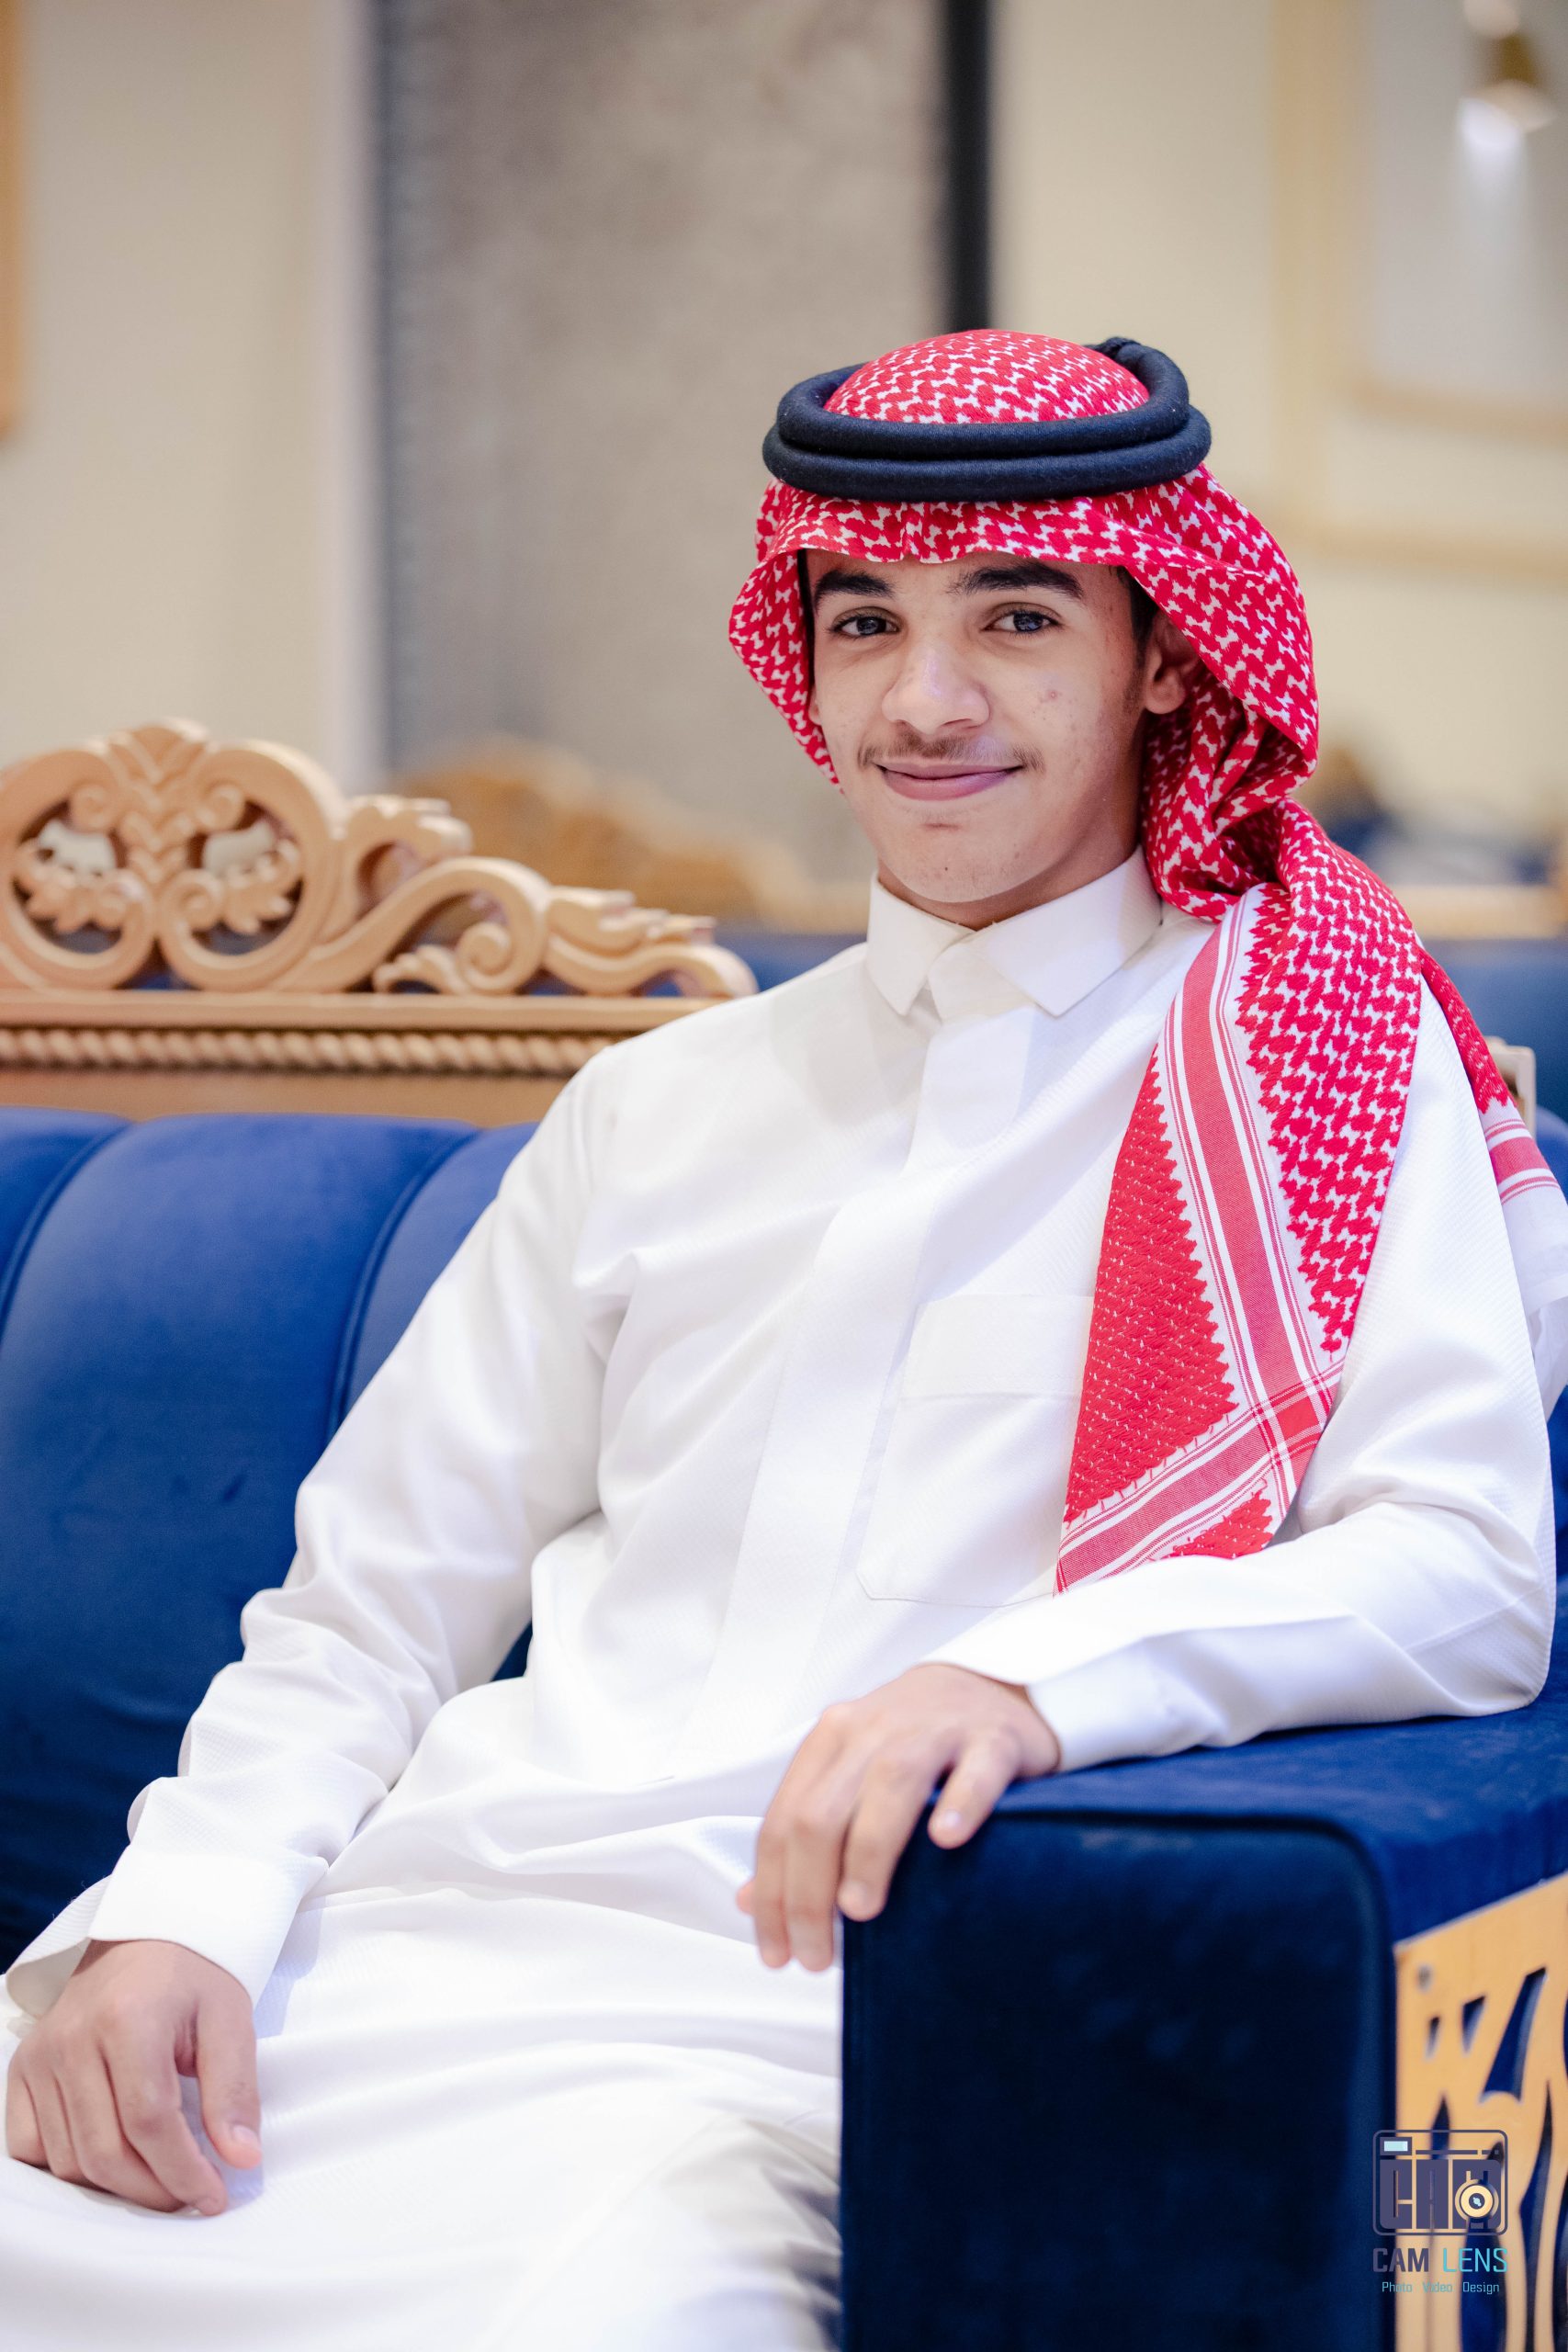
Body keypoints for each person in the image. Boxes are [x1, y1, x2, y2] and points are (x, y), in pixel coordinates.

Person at [3, 330, 1564, 2348]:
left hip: (799, 2033)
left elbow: (1464, 1569)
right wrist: (180, 1913)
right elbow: (366, 1611)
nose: (924, 701)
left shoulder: (1313, 1072)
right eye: (865, 622)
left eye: (1015, 619)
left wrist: (1014, 1677)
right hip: (385, 1956)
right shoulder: (656, 1106)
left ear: (1166, 656)